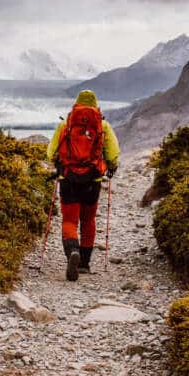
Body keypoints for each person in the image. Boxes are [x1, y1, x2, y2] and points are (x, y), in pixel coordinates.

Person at [46, 89, 120, 281]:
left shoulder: (66, 124)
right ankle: (85, 263)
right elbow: (112, 154)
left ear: (76, 104)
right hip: (92, 180)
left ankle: (72, 252)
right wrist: (111, 167)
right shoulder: (102, 125)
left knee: (70, 220)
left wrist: (59, 163)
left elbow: (51, 153)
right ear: (96, 105)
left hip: (69, 178)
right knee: (88, 220)